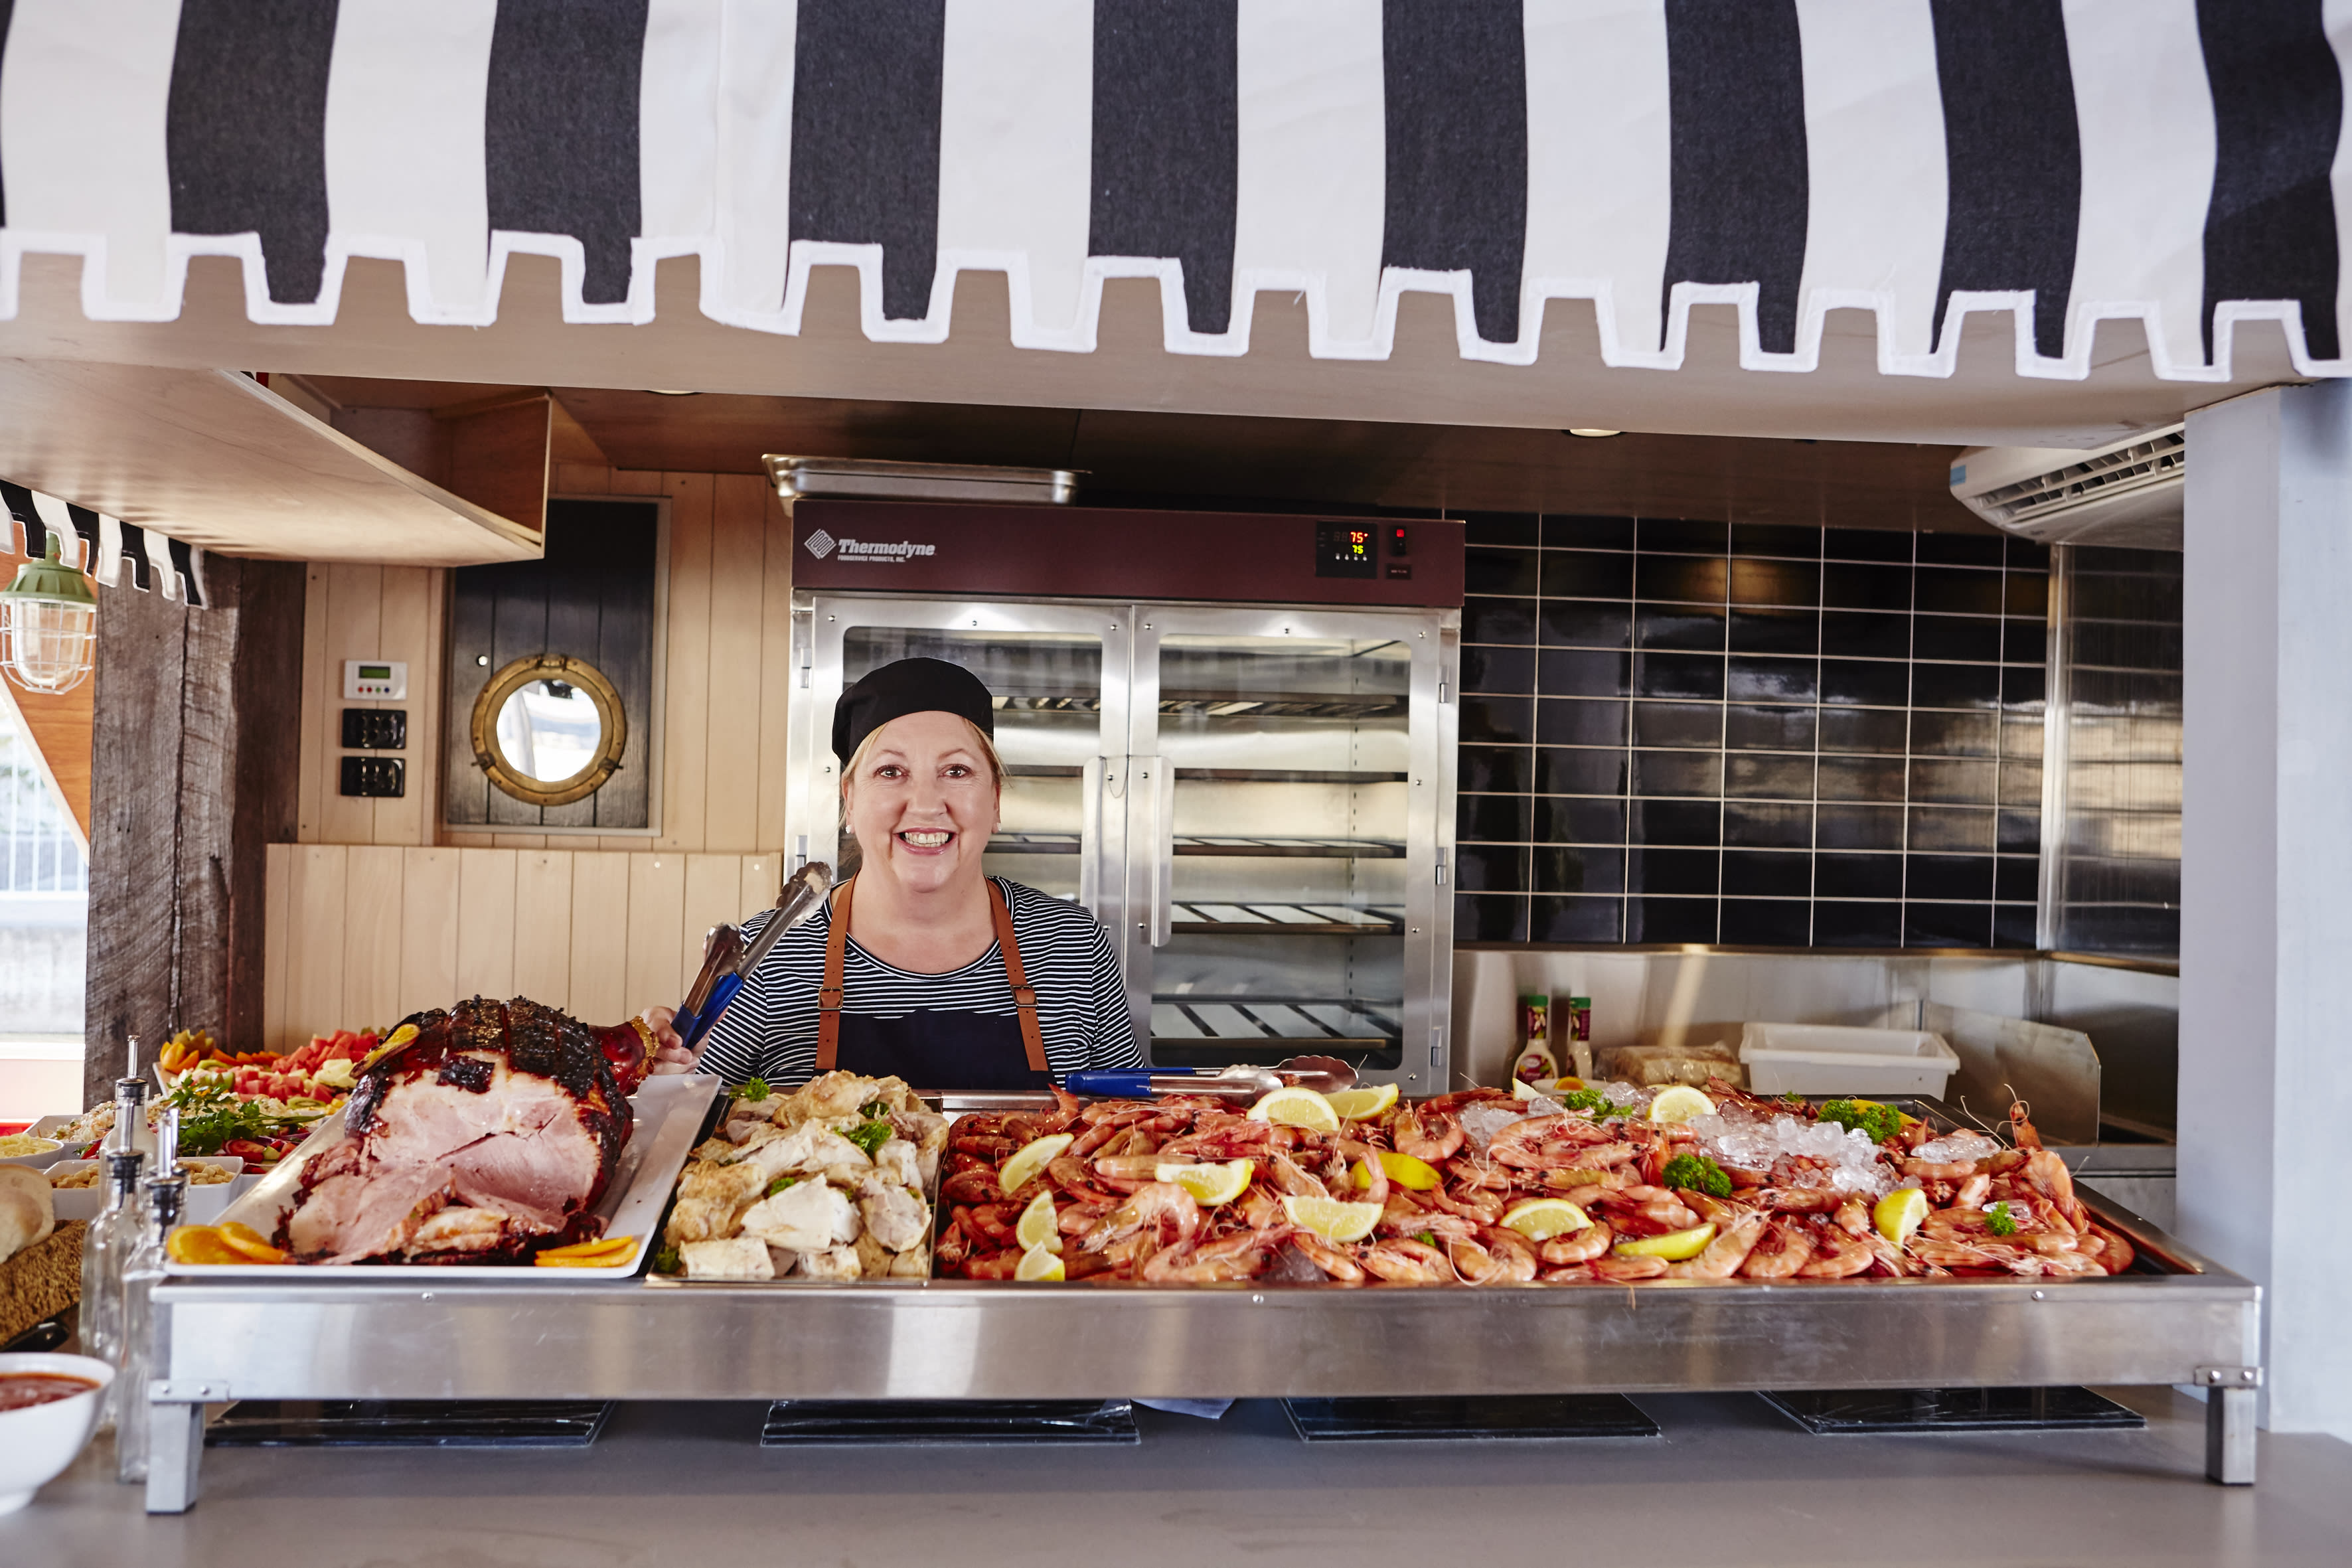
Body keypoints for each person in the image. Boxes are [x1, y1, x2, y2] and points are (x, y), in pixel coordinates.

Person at [649, 656, 1142, 1090]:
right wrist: (666, 1082)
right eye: (890, 772)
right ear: (850, 800)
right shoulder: (765, 956)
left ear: (994, 801)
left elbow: (1134, 1130)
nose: (926, 804)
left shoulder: (1073, 945)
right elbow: (691, 1138)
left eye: (956, 771)